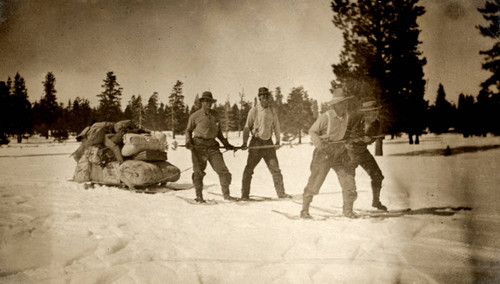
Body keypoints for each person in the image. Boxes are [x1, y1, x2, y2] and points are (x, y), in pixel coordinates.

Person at [300, 88, 359, 219]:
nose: (346, 105)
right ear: (336, 105)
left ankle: (348, 210)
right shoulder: (326, 117)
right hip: (324, 153)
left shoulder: (346, 116)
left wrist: (348, 141)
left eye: (346, 102)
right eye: (343, 103)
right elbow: (312, 131)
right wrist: (321, 146)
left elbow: (346, 134)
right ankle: (304, 210)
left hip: (340, 152)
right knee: (315, 181)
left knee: (348, 179)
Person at [240, 87, 291, 200]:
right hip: (256, 144)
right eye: (262, 96)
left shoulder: (272, 110)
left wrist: (278, 141)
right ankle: (244, 195)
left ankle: (281, 194)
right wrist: (244, 142)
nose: (264, 98)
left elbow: (276, 126)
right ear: (259, 98)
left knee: (275, 169)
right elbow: (247, 127)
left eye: (266, 96)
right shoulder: (254, 111)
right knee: (249, 169)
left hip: (268, 144)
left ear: (268, 98)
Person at [185, 91, 236, 203]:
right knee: (198, 172)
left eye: (210, 101)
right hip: (198, 146)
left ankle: (227, 196)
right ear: (202, 102)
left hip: (213, 147)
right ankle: (199, 197)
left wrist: (226, 144)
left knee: (223, 171)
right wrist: (188, 142)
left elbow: (219, 133)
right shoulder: (195, 116)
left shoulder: (216, 115)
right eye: (206, 101)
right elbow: (188, 130)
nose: (208, 103)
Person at [345, 100, 387, 210]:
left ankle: (376, 202)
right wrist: (354, 139)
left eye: (376, 111)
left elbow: (373, 138)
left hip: (363, 152)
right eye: (373, 111)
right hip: (350, 152)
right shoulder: (354, 119)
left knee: (378, 176)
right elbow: (344, 135)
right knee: (349, 179)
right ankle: (348, 208)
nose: (375, 114)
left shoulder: (376, 123)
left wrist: (369, 140)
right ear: (366, 112)